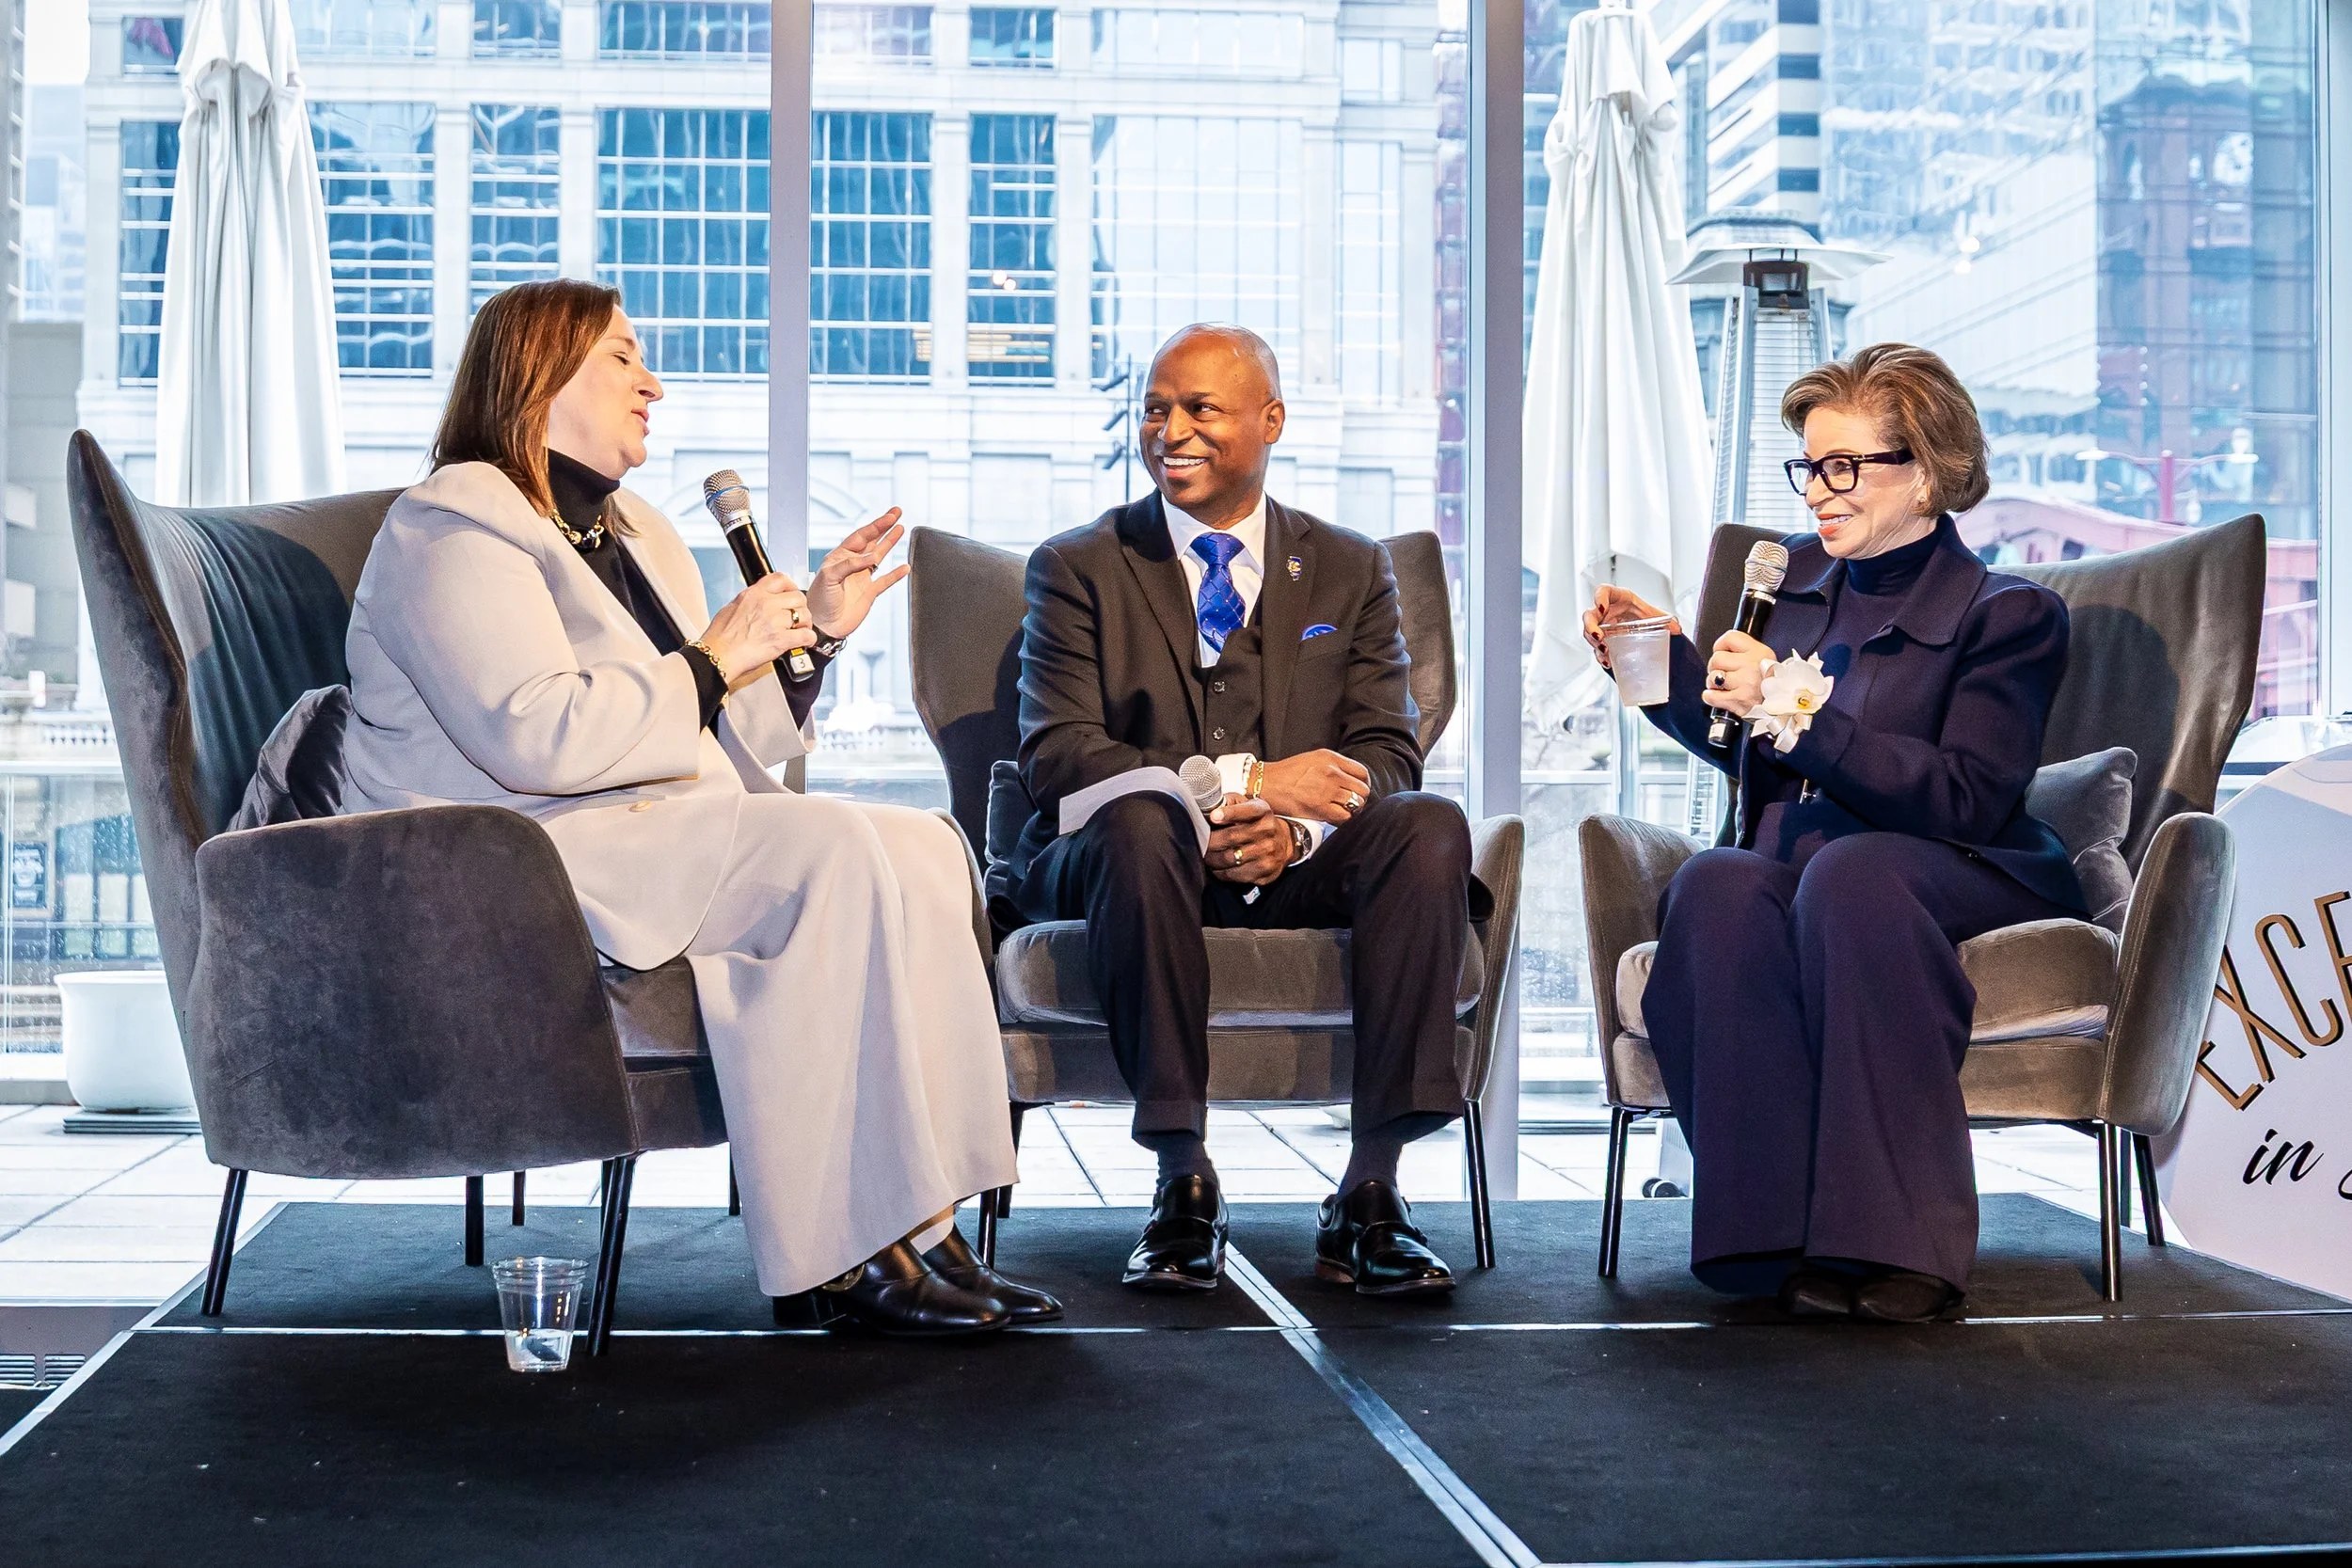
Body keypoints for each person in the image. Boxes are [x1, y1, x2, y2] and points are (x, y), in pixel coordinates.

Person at [337, 278, 1059, 1337]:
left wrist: (810, 631)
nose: (654, 384)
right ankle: (842, 1252)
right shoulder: (450, 524)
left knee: (921, 846)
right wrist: (719, 652)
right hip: (517, 855)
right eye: (626, 358)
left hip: (647, 824)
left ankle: (929, 1220)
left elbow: (730, 721)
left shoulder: (629, 526)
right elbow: (534, 731)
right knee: (832, 854)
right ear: (541, 373)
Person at [1581, 342, 2087, 1323]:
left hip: (1959, 863)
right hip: (1816, 864)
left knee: (1855, 876)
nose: (1818, 489)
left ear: (1928, 471)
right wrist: (1657, 668)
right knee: (1718, 885)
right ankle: (1763, 1229)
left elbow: (1968, 797)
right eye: (1809, 465)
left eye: (1844, 466)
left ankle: (1898, 1245)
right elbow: (1740, 744)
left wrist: (1799, 714)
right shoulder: (1792, 582)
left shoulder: (2009, 613)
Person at [997, 323, 1486, 1297]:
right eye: (1153, 409)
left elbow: (1387, 752)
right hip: (1122, 851)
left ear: (1269, 421)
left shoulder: (1350, 569)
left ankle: (1371, 1190)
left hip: (1297, 861)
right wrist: (1244, 785)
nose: (1167, 430)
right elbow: (1060, 756)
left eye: (1198, 409)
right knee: (1143, 822)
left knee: (1428, 826)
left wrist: (1298, 830)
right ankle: (1183, 1178)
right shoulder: (1077, 564)